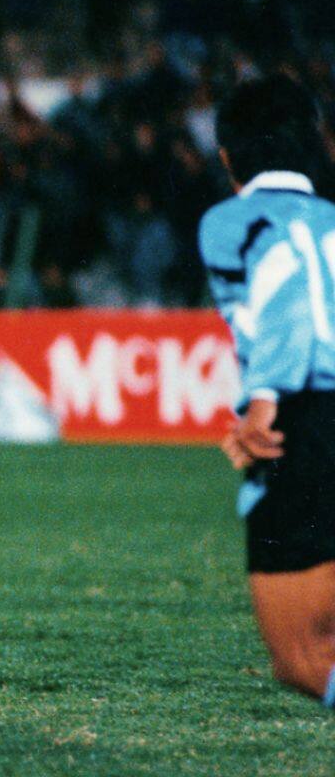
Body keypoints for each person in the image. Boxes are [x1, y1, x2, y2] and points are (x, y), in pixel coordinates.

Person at [199, 74, 335, 706]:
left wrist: (263, 401)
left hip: (307, 424)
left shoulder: (232, 222)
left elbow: (287, 285)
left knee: (304, 659)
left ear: (227, 156)